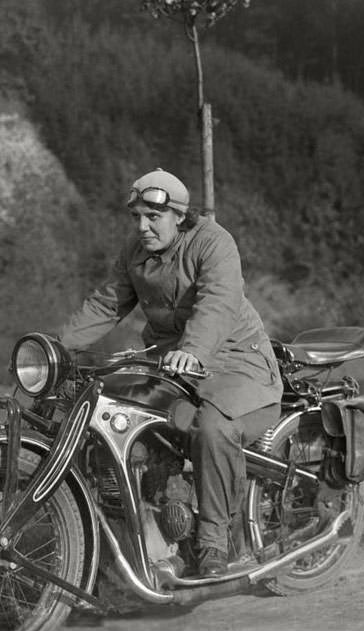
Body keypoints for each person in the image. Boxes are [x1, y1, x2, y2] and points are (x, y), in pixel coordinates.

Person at [59, 168, 283, 576]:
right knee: (127, 426)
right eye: (136, 217)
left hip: (237, 362)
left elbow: (217, 302)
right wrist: (54, 350)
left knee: (212, 429)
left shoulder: (214, 243)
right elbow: (106, 304)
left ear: (179, 215)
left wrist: (193, 351)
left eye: (152, 217)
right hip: (174, 367)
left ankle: (217, 541)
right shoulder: (135, 253)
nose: (142, 227)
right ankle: (154, 538)